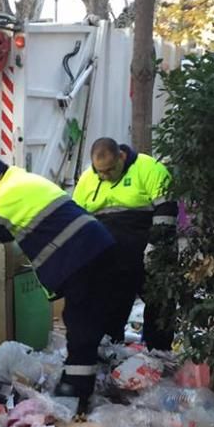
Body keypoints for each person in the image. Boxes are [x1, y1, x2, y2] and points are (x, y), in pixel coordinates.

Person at [0, 156, 115, 411]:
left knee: (80, 325)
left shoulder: (7, 192)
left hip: (81, 258)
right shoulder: (26, 181)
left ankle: (75, 398)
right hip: (98, 248)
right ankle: (84, 381)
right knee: (87, 321)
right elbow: (6, 232)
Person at [73, 137, 178, 350]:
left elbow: (167, 209)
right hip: (110, 259)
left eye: (110, 170)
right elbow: (77, 218)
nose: (104, 176)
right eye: (99, 171)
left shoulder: (148, 168)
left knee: (159, 306)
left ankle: (158, 353)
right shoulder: (88, 179)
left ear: (121, 156)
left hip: (147, 253)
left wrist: (156, 246)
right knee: (111, 309)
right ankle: (113, 354)